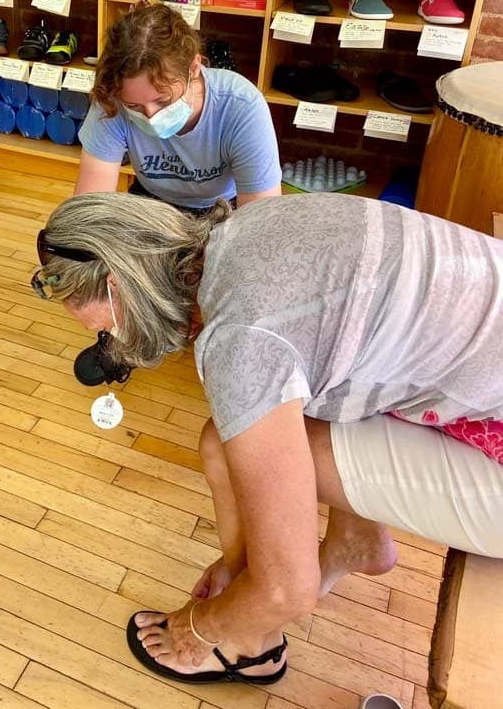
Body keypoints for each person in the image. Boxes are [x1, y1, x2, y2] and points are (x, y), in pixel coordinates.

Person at [30, 191, 503, 688]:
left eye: (108, 332)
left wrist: (204, 625)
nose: (114, 348)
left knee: (226, 453)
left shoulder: (241, 343)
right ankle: (353, 539)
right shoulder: (250, 225)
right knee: (263, 426)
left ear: (119, 288)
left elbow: (290, 592)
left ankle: (247, 644)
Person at [73, 3, 281, 385]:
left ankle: (223, 345)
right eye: (136, 107)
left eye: (163, 102)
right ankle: (126, 341)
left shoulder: (241, 106)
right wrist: (100, 282)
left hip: (221, 212)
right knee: (121, 266)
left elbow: (262, 227)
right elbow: (88, 212)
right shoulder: (111, 105)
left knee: (232, 282)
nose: (150, 117)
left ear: (195, 68)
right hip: (152, 205)